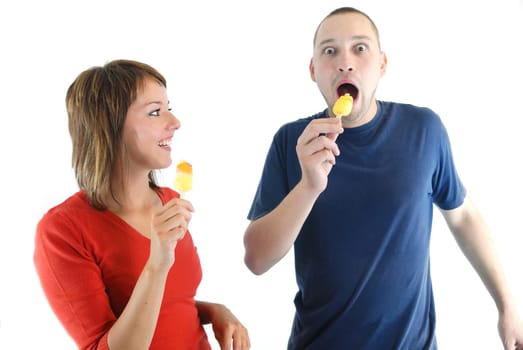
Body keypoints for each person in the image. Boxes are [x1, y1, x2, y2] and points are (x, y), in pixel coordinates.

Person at [243, 7, 523, 350]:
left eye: (360, 48)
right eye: (330, 51)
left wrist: (508, 305)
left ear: (382, 64)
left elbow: (463, 215)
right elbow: (256, 259)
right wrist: (309, 186)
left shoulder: (424, 129)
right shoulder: (291, 142)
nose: (345, 62)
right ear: (313, 70)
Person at [34, 59, 250, 350]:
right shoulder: (62, 230)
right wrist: (157, 263)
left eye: (168, 109)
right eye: (155, 112)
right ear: (108, 126)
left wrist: (213, 311)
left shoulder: (170, 201)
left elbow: (170, 304)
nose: (174, 123)